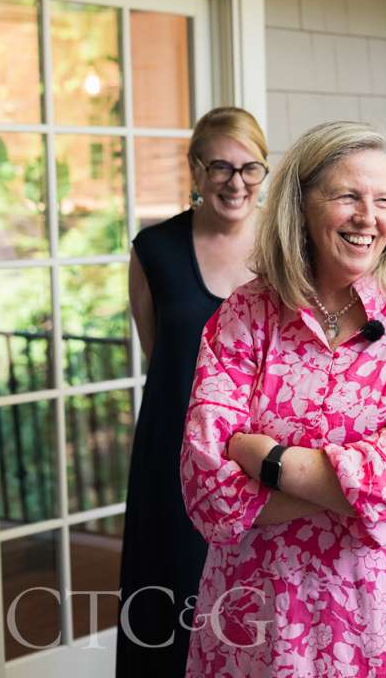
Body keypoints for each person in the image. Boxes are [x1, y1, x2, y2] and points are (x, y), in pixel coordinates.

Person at [179, 121, 386, 676]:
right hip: (265, 620)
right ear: (301, 204)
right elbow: (209, 493)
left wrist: (271, 461)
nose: (368, 217)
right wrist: (373, 459)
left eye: (383, 200)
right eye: (348, 196)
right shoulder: (245, 316)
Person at [117, 106, 267, 677]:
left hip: (262, 460)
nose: (236, 183)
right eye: (221, 168)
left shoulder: (284, 251)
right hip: (174, 457)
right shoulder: (153, 250)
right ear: (196, 171)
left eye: (251, 169)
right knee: (171, 604)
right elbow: (162, 355)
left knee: (253, 612)